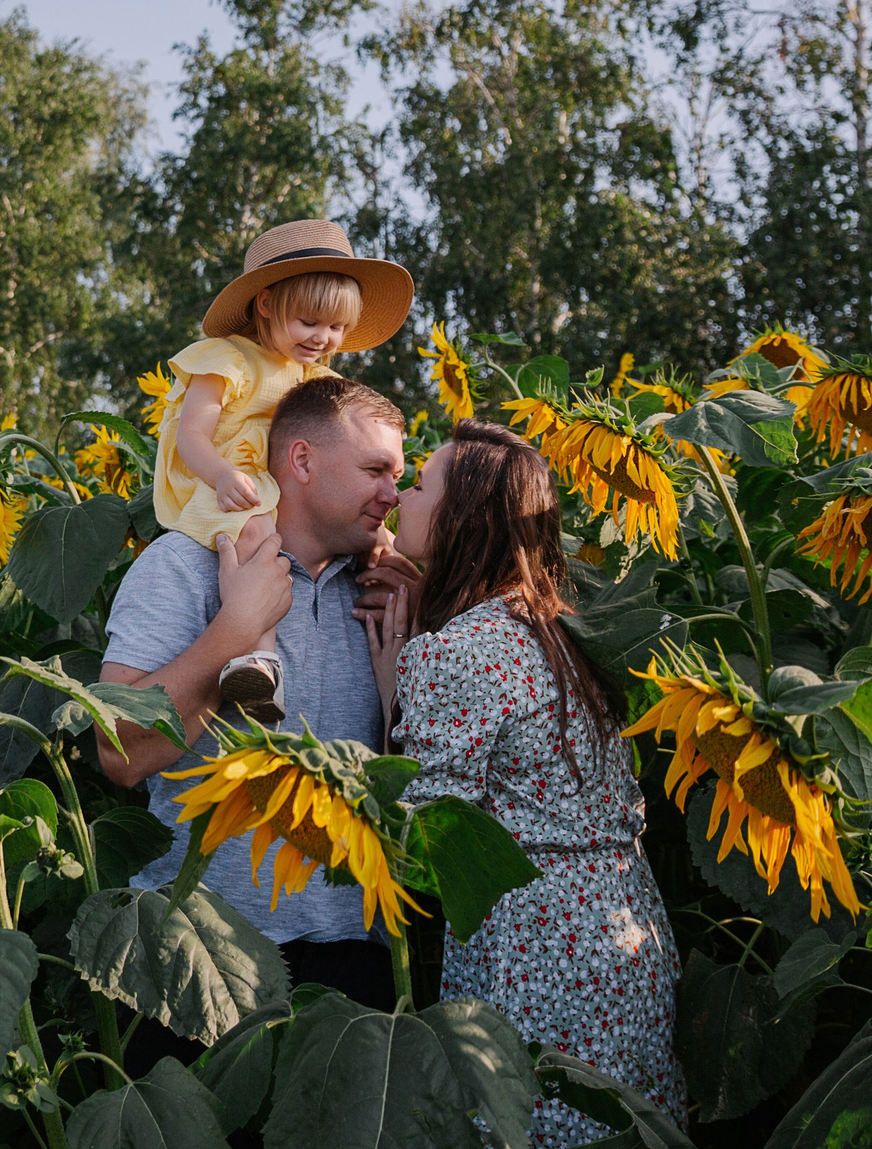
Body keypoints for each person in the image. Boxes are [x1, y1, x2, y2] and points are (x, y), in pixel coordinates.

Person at [361, 419, 687, 1146]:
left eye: (417, 485)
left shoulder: (457, 650)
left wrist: (394, 694)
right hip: (622, 923)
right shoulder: (555, 625)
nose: (398, 500)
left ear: (461, 518)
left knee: (531, 1122)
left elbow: (427, 836)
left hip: (539, 944)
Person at [98, 374, 415, 1040]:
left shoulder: (384, 589)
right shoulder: (183, 565)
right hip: (202, 945)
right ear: (300, 460)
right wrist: (234, 631)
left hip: (351, 946)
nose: (392, 493)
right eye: (375, 469)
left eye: (400, 475)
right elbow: (120, 754)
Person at [149, 220, 413, 723]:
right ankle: (259, 658)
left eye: (336, 328)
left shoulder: (320, 377)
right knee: (258, 536)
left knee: (379, 542)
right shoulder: (226, 360)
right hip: (221, 480)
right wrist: (224, 476)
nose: (323, 338)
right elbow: (191, 437)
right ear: (267, 305)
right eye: (310, 322)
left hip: (275, 486)